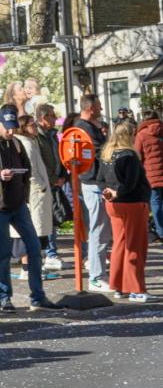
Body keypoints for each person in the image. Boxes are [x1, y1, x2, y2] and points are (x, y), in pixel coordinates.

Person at [0, 106, 55, 312]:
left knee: (34, 248)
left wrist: (24, 195)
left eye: (13, 127)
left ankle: (38, 297)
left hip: (19, 205)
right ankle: (4, 298)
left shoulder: (16, 143)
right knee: (4, 254)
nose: (11, 131)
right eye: (7, 127)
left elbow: (27, 170)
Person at [98, 120, 151, 301]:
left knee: (119, 245)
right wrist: (118, 192)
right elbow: (131, 183)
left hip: (114, 204)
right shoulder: (130, 156)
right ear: (130, 135)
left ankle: (119, 286)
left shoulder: (107, 154)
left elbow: (99, 180)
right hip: (133, 203)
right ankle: (135, 289)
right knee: (135, 246)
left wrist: (108, 192)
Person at [75, 93, 112, 291]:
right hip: (93, 182)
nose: (101, 109)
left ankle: (98, 272)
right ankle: (96, 277)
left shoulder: (91, 127)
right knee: (98, 229)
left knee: (102, 229)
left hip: (97, 182)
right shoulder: (84, 128)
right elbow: (101, 153)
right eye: (98, 106)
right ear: (90, 109)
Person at [11, 114, 53, 277]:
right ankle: (28, 268)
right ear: (23, 127)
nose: (35, 127)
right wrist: (41, 186)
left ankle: (33, 266)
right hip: (34, 194)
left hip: (36, 193)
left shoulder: (31, 142)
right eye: (32, 125)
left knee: (36, 232)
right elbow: (31, 171)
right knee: (31, 231)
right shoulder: (26, 143)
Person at [35, 103, 69, 269]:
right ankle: (49, 253)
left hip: (55, 182)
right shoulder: (36, 136)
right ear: (43, 118)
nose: (55, 119)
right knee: (45, 220)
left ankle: (52, 253)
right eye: (52, 116)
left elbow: (59, 156)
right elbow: (39, 161)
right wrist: (54, 178)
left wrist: (63, 175)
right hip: (44, 184)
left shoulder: (52, 135)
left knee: (53, 219)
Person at [134, 110, 163, 243]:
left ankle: (161, 231)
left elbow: (137, 156)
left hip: (151, 175)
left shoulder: (141, 135)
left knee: (155, 203)